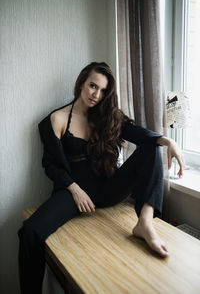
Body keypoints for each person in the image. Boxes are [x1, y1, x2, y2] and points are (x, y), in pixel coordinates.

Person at [18, 61, 184, 294]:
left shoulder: (107, 117)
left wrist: (169, 141)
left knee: (151, 147)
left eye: (103, 90)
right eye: (93, 86)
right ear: (81, 84)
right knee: (29, 232)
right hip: (73, 192)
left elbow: (139, 135)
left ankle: (145, 223)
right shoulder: (56, 120)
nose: (96, 94)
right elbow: (50, 164)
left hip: (108, 188)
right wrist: (74, 188)